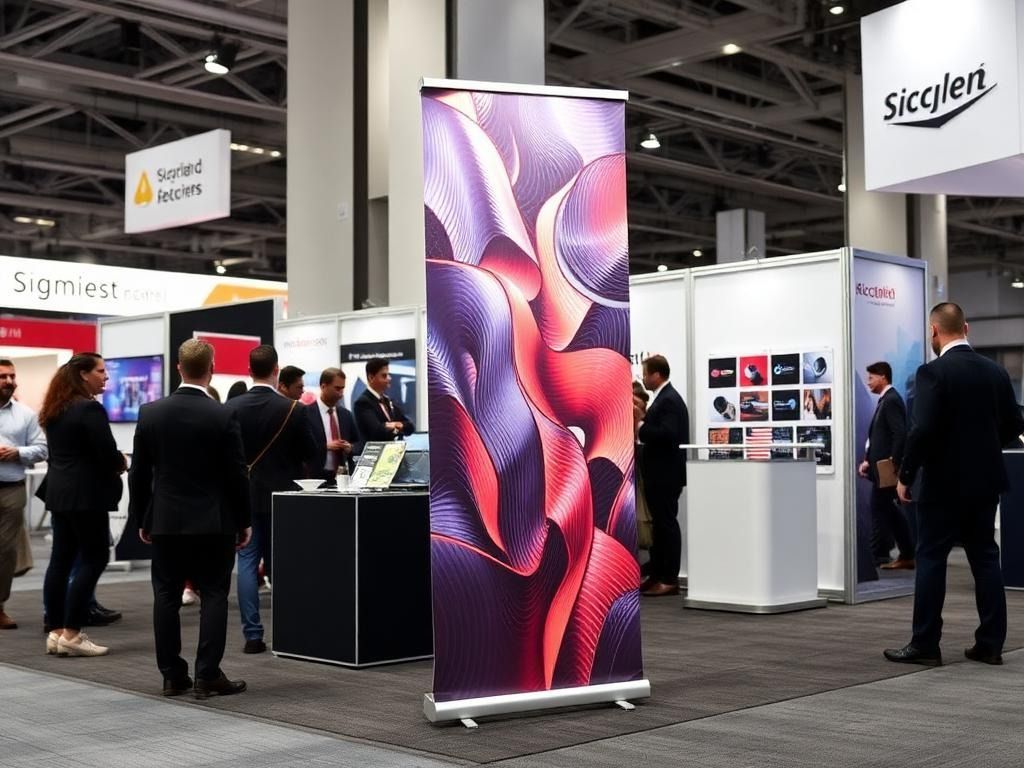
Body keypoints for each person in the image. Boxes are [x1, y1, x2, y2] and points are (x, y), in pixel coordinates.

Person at [885, 303, 1024, 667]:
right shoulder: (995, 371)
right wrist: (984, 446)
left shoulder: (932, 372)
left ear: (934, 331)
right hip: (985, 481)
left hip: (942, 485)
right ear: (966, 328)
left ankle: (925, 644)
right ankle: (990, 644)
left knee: (931, 558)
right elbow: (1014, 424)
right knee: (986, 558)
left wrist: (905, 475)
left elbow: (922, 430)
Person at [129, 339, 251, 697]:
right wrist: (243, 520)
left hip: (166, 519)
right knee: (214, 594)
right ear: (211, 368)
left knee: (165, 594)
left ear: (179, 368)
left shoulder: (150, 413)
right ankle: (207, 675)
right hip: (214, 521)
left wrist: (143, 518)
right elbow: (237, 474)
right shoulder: (223, 414)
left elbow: (139, 474)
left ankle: (172, 675)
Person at [226, 345, 318, 654]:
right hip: (283, 499)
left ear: (249, 370)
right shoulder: (294, 409)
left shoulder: (231, 407)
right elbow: (310, 453)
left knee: (247, 563)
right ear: (276, 370)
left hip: (245, 498)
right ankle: (289, 633)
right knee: (284, 564)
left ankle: (253, 635)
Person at [39, 353, 126, 657]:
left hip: (59, 493)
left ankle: (56, 631)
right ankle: (73, 634)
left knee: (60, 561)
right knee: (94, 557)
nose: (106, 377)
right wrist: (122, 462)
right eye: (100, 371)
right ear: (83, 375)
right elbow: (107, 453)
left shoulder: (55, 408)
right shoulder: (89, 408)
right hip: (86, 496)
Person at [635, 354, 689, 597]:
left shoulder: (669, 400)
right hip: (659, 474)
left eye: (646, 373)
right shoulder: (664, 398)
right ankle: (657, 574)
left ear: (656, 375)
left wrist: (641, 426)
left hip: (665, 475)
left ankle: (669, 578)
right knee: (659, 525)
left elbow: (667, 434)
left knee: (666, 525)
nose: (643, 378)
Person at [0, 359, 48, 630]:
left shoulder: (25, 414)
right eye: (3, 376)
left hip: (11, 489)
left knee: (6, 551)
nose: (9, 381)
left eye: (12, 376)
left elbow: (42, 449)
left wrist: (17, 452)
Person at [858, 361, 913, 570]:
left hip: (886, 469)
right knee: (887, 509)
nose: (868, 382)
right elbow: (878, 437)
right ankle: (903, 553)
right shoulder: (886, 400)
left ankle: (879, 555)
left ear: (883, 376)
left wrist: (893, 464)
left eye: (871, 377)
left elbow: (900, 434)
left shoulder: (891, 401)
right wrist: (868, 461)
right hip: (881, 468)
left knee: (881, 508)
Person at [305, 367, 359, 482]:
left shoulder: (346, 415)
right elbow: (301, 447)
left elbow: (358, 443)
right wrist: (325, 447)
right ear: (323, 386)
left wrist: (350, 448)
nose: (341, 393)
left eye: (343, 388)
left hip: (342, 479)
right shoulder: (306, 414)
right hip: (314, 478)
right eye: (337, 388)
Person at [353, 357, 414, 442]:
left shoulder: (388, 401)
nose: (389, 378)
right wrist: (398, 427)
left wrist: (393, 425)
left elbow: (410, 427)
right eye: (384, 375)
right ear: (371, 378)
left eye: (388, 375)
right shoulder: (363, 403)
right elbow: (377, 431)